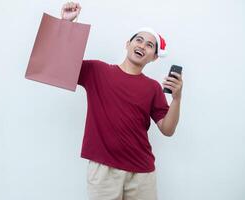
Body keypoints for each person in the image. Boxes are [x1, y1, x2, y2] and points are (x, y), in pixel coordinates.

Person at [61, 2, 183, 200]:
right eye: (139, 40)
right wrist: (66, 25)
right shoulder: (97, 71)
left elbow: (167, 129)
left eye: (149, 45)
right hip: (104, 173)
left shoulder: (152, 87)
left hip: (142, 174)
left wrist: (177, 98)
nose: (142, 46)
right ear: (128, 44)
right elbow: (62, 65)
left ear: (154, 57)